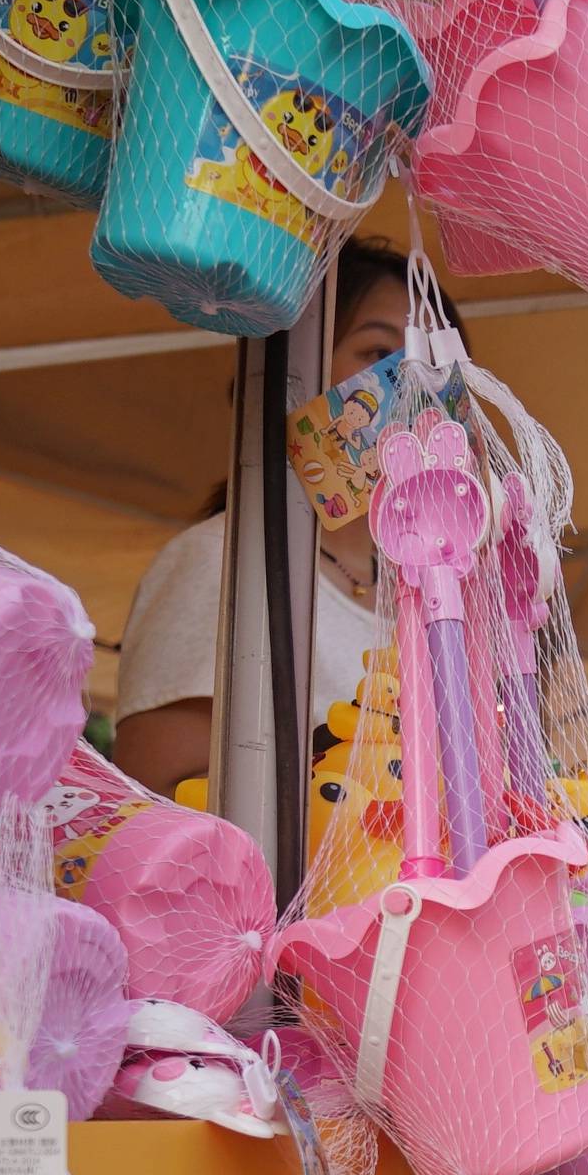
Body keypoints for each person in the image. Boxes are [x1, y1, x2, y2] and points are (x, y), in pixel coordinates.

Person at [108, 245, 425, 807]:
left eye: (435, 364)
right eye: (379, 352)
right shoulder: (220, 560)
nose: (410, 385)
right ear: (294, 372)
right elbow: (153, 791)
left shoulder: (431, 590)